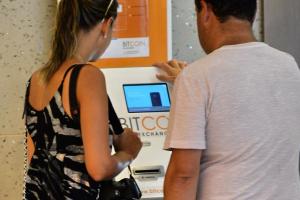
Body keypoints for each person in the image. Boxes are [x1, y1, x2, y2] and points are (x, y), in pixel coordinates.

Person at [154, 0, 300, 199]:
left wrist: (191, 83)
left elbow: (183, 175)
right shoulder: (289, 66)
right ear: (253, 13)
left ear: (205, 10)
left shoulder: (197, 78)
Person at [24, 0, 142, 199]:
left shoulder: (36, 79)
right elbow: (99, 168)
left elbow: (33, 157)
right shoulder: (87, 76)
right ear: (106, 25)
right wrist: (129, 153)